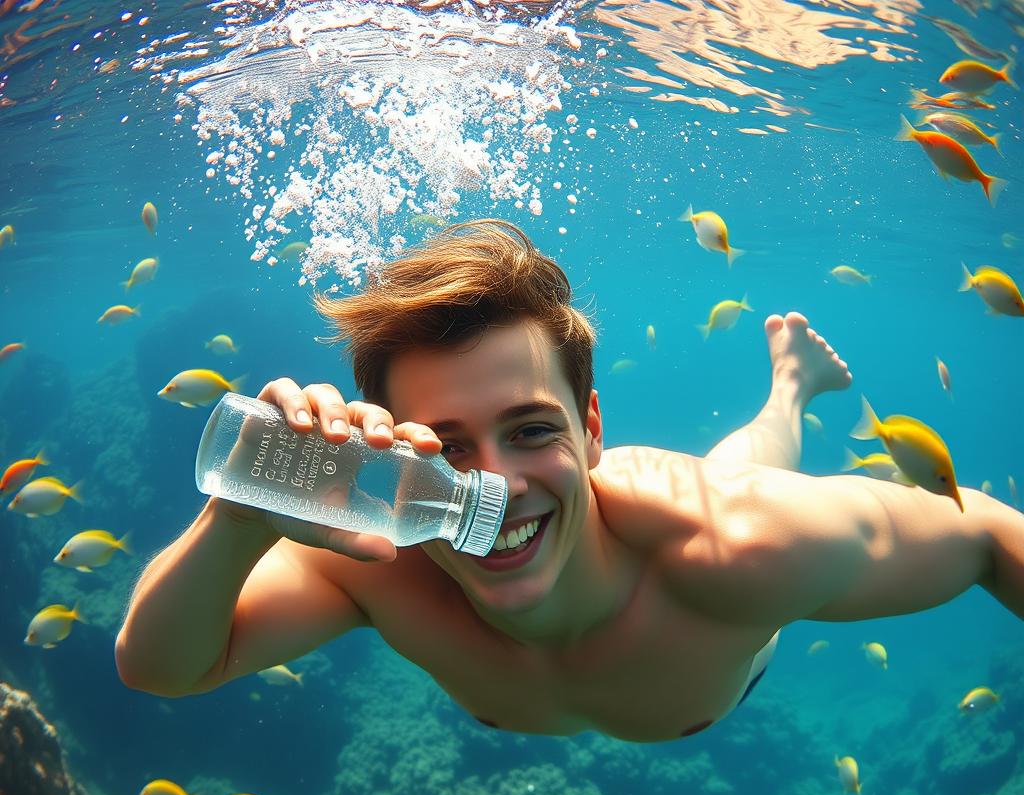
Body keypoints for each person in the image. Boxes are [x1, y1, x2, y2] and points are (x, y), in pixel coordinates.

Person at [115, 220, 1024, 742]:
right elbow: (162, 666)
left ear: (591, 430)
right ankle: (781, 385)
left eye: (532, 430)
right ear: (389, 448)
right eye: (446, 444)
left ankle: (789, 388)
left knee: (748, 465)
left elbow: (983, 533)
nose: (498, 484)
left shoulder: (742, 543)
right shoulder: (378, 556)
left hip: (722, 636)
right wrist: (239, 519)